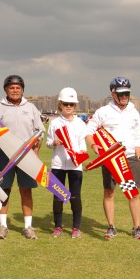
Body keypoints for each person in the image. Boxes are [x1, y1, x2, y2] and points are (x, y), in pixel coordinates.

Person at [86, 77, 140, 240]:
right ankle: (111, 226)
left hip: (131, 158)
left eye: (127, 93)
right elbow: (89, 131)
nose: (124, 96)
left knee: (132, 193)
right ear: (113, 94)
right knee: (109, 192)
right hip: (111, 159)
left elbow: (137, 134)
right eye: (121, 93)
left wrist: (138, 155)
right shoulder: (103, 112)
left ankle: (137, 227)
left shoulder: (134, 111)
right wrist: (93, 145)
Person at [0, 75, 45, 240]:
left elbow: (39, 132)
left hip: (26, 157)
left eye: (18, 87)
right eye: (11, 87)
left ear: (22, 89)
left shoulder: (31, 108)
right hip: (4, 156)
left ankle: (28, 227)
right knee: (3, 191)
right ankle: (3, 226)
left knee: (26, 190)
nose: (15, 90)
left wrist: (35, 154)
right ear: (6, 89)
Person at [46, 87, 87, 238]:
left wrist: (80, 154)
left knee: (75, 197)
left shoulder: (81, 124)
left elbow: (83, 145)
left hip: (75, 166)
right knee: (58, 197)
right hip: (57, 165)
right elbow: (48, 142)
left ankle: (76, 228)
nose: (68, 107)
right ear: (60, 105)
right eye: (65, 104)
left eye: (71, 104)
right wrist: (54, 143)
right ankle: (58, 227)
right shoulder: (55, 123)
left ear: (75, 106)